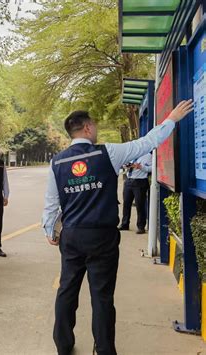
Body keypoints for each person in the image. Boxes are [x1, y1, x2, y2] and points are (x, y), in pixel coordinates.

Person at [41, 100, 193, 355]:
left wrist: (50, 230)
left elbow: (51, 202)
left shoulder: (57, 162)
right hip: (102, 236)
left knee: (67, 290)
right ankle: (104, 349)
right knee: (101, 296)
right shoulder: (108, 153)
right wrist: (172, 119)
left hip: (72, 235)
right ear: (88, 128)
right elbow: (146, 143)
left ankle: (63, 345)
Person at [119, 153, 152, 234]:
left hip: (140, 182)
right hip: (128, 181)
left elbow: (152, 168)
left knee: (140, 205)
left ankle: (141, 227)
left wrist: (141, 167)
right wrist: (126, 166)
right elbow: (123, 164)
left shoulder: (148, 156)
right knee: (126, 204)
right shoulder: (131, 153)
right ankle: (125, 224)